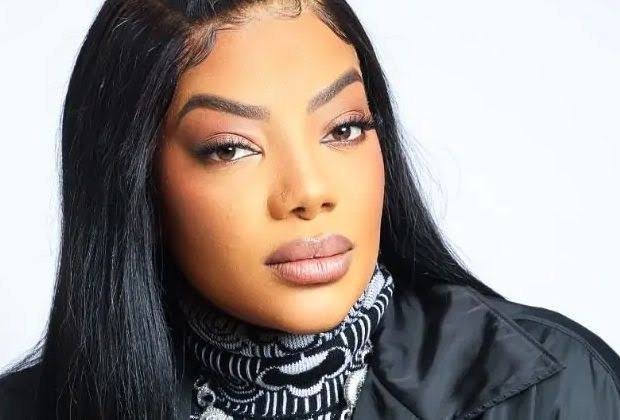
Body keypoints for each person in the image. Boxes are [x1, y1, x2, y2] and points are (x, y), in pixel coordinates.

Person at [1, 1, 619, 419]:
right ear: (136, 184)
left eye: (344, 129)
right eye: (231, 148)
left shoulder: (550, 390)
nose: (309, 191)